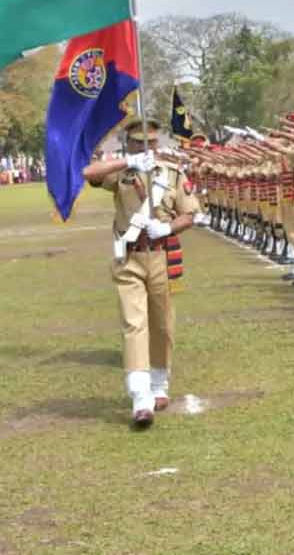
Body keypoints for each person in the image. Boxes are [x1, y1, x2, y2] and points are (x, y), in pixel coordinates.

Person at [83, 118, 201, 429]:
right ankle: (140, 395)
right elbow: (89, 173)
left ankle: (159, 382)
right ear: (129, 143)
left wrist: (167, 227)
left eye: (149, 142)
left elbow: (190, 214)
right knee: (133, 323)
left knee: (162, 324)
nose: (144, 147)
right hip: (129, 258)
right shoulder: (122, 172)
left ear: (157, 143)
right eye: (138, 143)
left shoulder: (172, 173)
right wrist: (128, 161)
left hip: (161, 256)